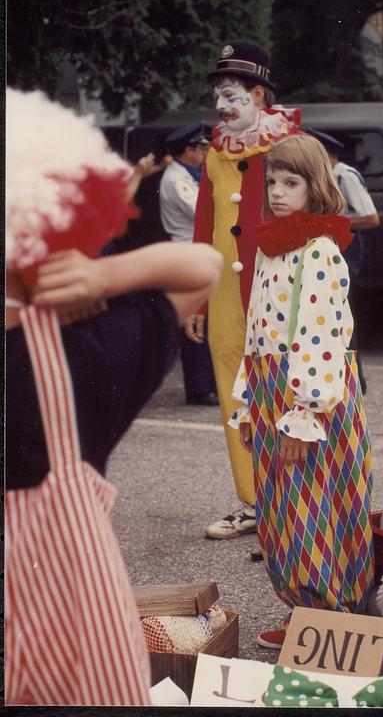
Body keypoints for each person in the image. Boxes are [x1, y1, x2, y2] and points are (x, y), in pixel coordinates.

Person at [5, 88, 223, 706]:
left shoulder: (80, 352)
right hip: (72, 658)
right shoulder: (90, 353)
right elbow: (201, 267)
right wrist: (105, 277)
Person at [228, 133, 375, 648]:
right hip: (272, 393)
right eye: (272, 181)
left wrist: (304, 415)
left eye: (291, 182)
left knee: (316, 504)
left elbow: (320, 336)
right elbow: (256, 334)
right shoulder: (272, 251)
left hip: (309, 397)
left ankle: (331, 619)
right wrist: (247, 404)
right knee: (281, 507)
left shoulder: (319, 251)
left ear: (316, 187)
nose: (278, 191)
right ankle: (304, 612)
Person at [188, 40, 301, 539]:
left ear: (259, 93)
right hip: (226, 296)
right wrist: (196, 296)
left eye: (230, 95)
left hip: (280, 287)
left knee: (287, 388)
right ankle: (254, 501)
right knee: (234, 393)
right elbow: (203, 227)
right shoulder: (216, 154)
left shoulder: (292, 145)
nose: (219, 106)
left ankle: (295, 499)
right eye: (218, 95)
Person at [304, 127, 380, 394]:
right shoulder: (322, 177)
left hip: (347, 245)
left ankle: (355, 380)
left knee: (341, 311)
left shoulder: (343, 175)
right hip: (329, 243)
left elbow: (371, 218)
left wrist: (330, 223)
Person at [159, 121, 218, 405]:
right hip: (186, 252)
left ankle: (207, 384)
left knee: (204, 319)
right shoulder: (177, 179)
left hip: (194, 252)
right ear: (189, 150)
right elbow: (202, 211)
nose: (206, 152)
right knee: (194, 320)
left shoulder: (191, 174)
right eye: (202, 148)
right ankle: (199, 388)